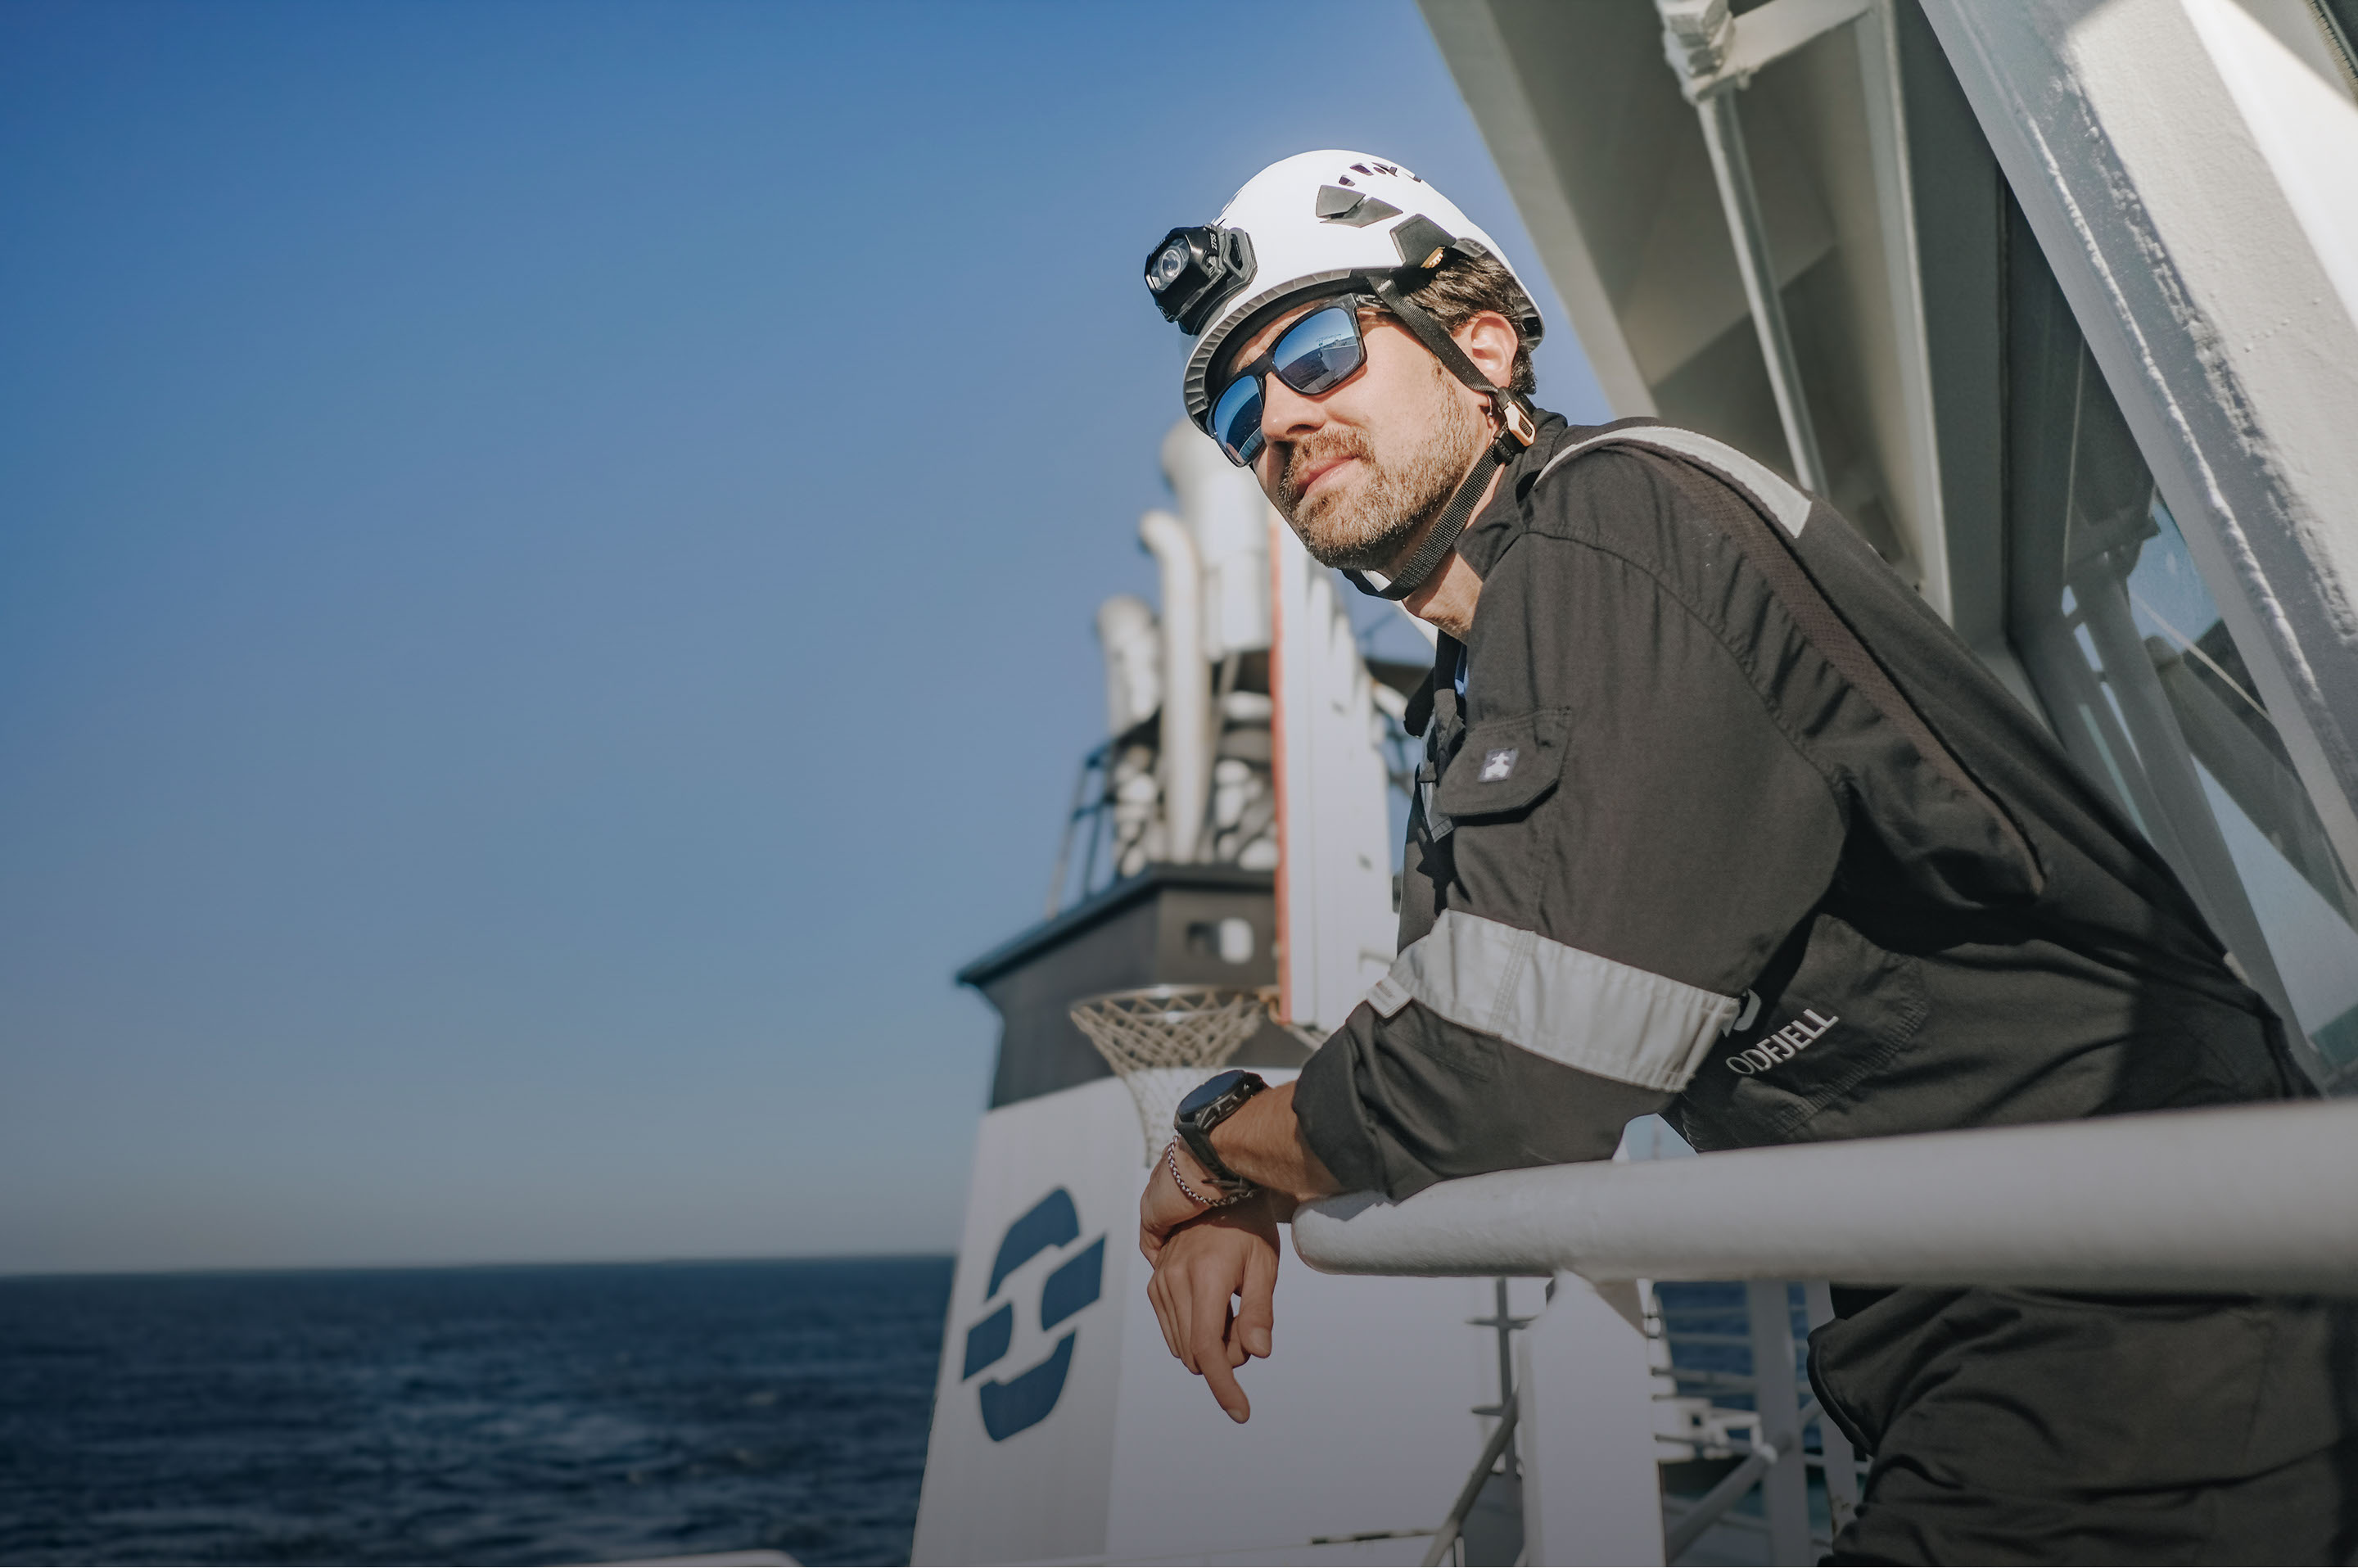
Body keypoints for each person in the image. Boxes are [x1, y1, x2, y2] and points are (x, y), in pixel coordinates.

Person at [1134, 150, 2353, 1564]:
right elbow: (1460, 1058)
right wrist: (1270, 1173)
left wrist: (1223, 1148)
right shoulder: (1475, 696)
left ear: (1479, 344)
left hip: (2144, 1316)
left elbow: (1507, 1080)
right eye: (1239, 411)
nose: (1279, 419)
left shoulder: (1619, 519)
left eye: (1320, 350)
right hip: (1979, 1347)